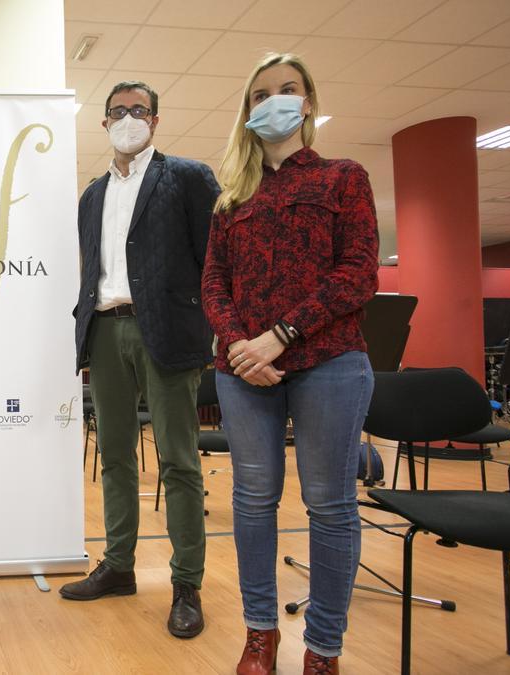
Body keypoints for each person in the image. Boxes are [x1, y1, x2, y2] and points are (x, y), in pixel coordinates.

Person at [202, 53, 379, 675]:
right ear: (247, 112)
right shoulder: (231, 199)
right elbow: (214, 285)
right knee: (253, 501)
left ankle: (323, 651)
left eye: (287, 90)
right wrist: (239, 345)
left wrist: (279, 335)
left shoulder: (343, 178)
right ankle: (260, 636)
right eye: (259, 95)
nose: (272, 102)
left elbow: (358, 274)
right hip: (244, 370)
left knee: (330, 503)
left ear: (307, 102)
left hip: (328, 361)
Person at [66, 81, 219, 639]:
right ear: (104, 123)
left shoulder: (187, 178)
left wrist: (214, 328)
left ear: (155, 121)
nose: (128, 118)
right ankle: (119, 565)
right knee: (115, 457)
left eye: (139, 110)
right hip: (104, 332)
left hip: (168, 333)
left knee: (178, 460)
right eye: (118, 111)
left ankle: (186, 583)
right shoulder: (90, 196)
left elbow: (214, 261)